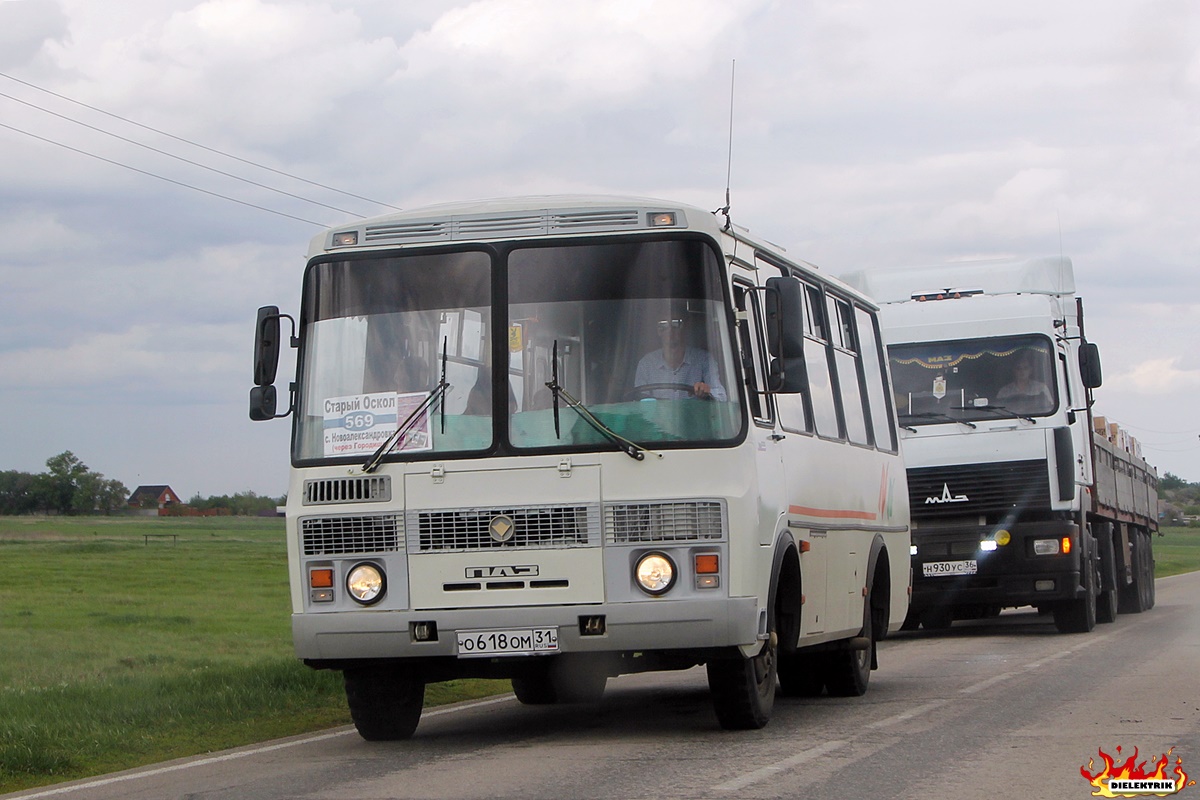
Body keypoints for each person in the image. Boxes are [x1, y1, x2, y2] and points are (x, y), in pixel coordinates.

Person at [634, 307, 727, 400]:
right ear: (658, 331)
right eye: (663, 325)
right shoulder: (646, 363)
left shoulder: (704, 359)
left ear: (685, 327)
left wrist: (707, 391)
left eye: (676, 323)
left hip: (695, 414)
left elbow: (721, 397)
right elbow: (641, 403)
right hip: (658, 414)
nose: (670, 330)